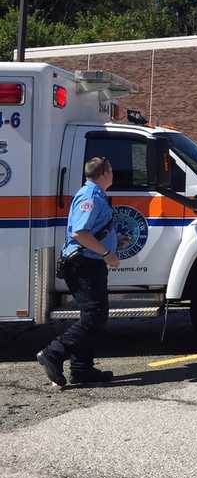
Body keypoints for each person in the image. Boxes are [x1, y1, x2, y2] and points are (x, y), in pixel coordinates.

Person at [36, 157, 120, 387]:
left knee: (91, 315)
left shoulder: (95, 195)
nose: (114, 174)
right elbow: (80, 233)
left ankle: (82, 369)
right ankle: (53, 353)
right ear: (103, 173)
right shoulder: (90, 197)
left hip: (88, 262)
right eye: (111, 170)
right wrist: (107, 253)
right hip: (84, 263)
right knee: (95, 315)